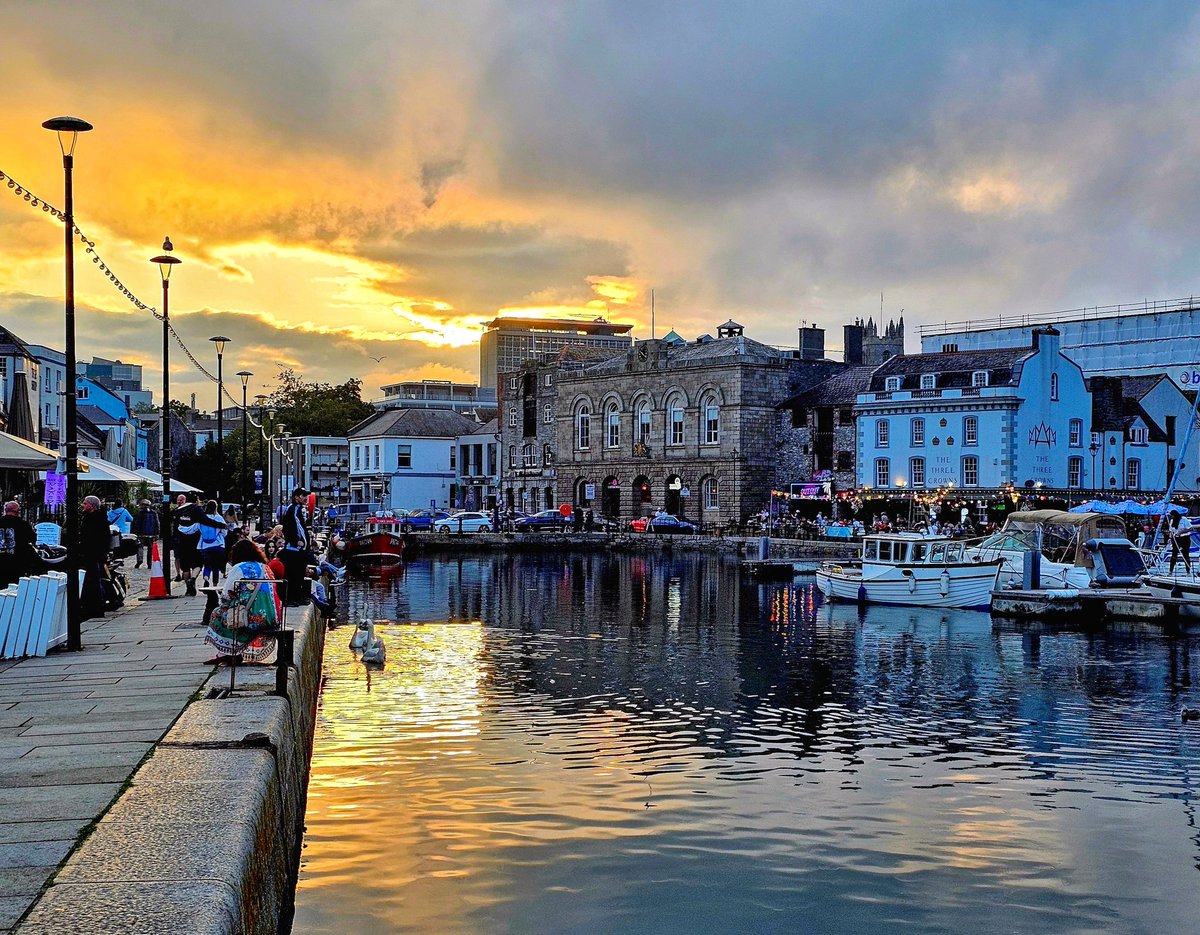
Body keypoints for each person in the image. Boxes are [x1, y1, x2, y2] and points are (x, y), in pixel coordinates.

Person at [202, 539, 280, 665]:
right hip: (272, 616)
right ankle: (231, 652)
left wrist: (225, 605)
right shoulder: (266, 568)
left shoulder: (239, 568)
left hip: (252, 618)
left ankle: (227, 653)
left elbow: (227, 594)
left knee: (218, 613)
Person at [178, 500, 228, 587]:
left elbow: (190, 529)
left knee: (207, 565)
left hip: (205, 545)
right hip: (217, 545)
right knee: (215, 566)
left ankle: (206, 578)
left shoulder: (201, 519)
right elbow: (224, 533)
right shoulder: (219, 518)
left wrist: (180, 527)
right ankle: (215, 584)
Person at [79, 495, 112, 620]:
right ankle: (90, 606)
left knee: (93, 581)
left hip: (93, 554)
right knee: (90, 581)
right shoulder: (91, 517)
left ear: (91, 505)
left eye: (85, 503)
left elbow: (98, 538)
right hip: (90, 554)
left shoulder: (96, 519)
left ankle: (96, 608)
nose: (83, 505)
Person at [280, 487, 310, 606]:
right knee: (293, 575)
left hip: (299, 550)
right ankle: (289, 599)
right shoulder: (292, 509)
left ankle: (297, 597)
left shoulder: (298, 509)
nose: (306, 498)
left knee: (299, 574)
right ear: (296, 497)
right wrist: (295, 541)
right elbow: (288, 528)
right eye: (303, 495)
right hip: (293, 549)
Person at [0, 500, 39, 588]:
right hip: (17, 563)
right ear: (17, 511)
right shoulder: (23, 525)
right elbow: (32, 539)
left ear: (5, 510)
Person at [130, 499, 160, 568]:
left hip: (141, 533)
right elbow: (157, 523)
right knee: (150, 549)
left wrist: (134, 532)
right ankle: (149, 563)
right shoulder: (154, 513)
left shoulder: (139, 513)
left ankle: (139, 560)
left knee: (140, 547)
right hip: (151, 534)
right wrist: (157, 533)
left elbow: (136, 523)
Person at [1169, 510, 1193, 575]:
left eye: (1172, 515)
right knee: (1174, 554)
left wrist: (1181, 532)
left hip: (1185, 538)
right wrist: (1170, 538)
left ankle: (1188, 572)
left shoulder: (1184, 519)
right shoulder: (1172, 521)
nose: (1171, 517)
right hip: (1176, 538)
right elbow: (1171, 531)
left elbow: (1191, 528)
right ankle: (1170, 571)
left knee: (1186, 555)